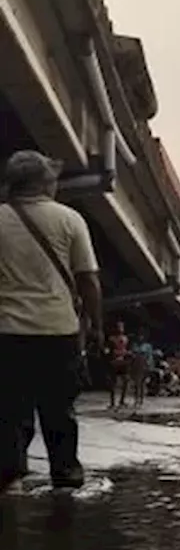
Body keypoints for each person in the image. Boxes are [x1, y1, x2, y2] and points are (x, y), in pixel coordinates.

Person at [0, 150, 103, 490]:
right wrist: (97, 328)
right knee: (59, 412)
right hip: (58, 332)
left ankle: (10, 480)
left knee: (11, 412)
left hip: (8, 333)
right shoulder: (70, 220)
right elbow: (88, 280)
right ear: (44, 182)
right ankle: (66, 480)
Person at [106, 320, 130, 409]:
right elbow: (108, 351)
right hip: (114, 362)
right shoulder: (111, 339)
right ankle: (112, 402)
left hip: (123, 362)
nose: (120, 329)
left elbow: (126, 349)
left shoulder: (125, 339)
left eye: (121, 327)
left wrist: (126, 354)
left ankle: (122, 401)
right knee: (113, 382)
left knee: (126, 380)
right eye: (118, 327)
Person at [130, 329, 155, 409]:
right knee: (136, 383)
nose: (140, 337)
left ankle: (141, 399)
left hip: (144, 365)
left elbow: (150, 357)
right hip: (136, 365)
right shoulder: (135, 345)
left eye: (142, 336)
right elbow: (132, 354)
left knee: (142, 383)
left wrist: (149, 366)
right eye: (139, 336)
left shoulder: (148, 346)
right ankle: (136, 399)